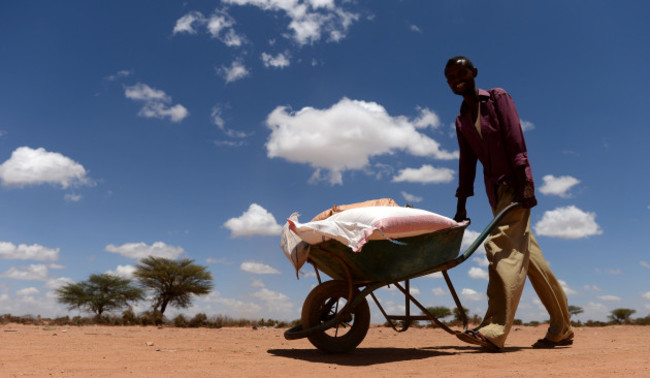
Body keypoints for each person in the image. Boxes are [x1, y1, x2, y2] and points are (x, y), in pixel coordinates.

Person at [444, 56, 574, 351]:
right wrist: (462, 203)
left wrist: (526, 182)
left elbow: (516, 140)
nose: (456, 79)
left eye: (461, 72)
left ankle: (494, 329)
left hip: (514, 186)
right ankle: (562, 328)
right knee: (531, 261)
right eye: (450, 77)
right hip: (496, 193)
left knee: (500, 245)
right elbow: (467, 163)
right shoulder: (462, 118)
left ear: (474, 73)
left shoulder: (497, 98)